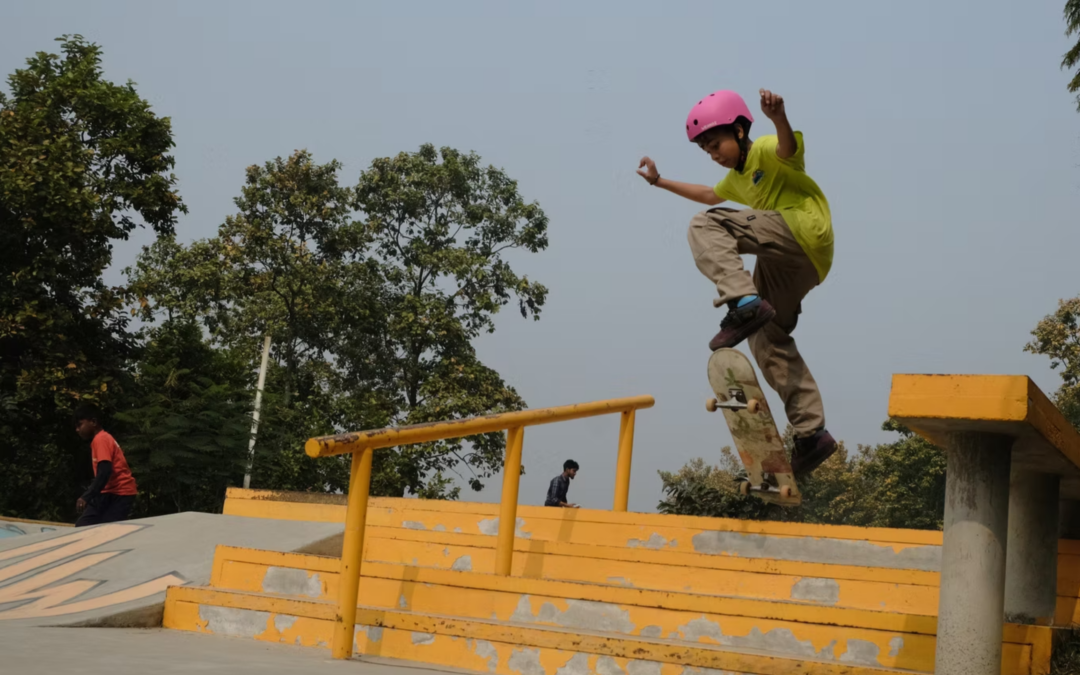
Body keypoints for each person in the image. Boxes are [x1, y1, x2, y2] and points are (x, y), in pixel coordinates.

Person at [636, 88, 836, 477]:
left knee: (706, 226)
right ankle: (812, 432)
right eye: (706, 151)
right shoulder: (735, 179)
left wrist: (778, 117)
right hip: (802, 264)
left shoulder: (762, 149)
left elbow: (787, 146)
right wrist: (659, 182)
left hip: (802, 229)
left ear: (740, 131)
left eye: (716, 144)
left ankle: (742, 302)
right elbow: (710, 193)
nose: (713, 155)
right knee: (766, 338)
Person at [73, 405, 138, 526]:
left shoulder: (101, 439)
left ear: (93, 422)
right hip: (106, 492)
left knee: (107, 530)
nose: (77, 430)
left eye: (80, 425)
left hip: (119, 493)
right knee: (82, 526)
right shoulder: (101, 439)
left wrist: (86, 496)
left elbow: (105, 471)